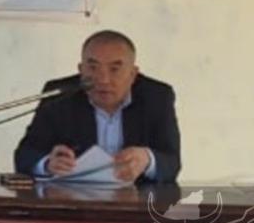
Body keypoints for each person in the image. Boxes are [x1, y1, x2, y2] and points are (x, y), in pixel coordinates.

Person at [14, 30, 181, 184]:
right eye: (93, 68)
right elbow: (25, 155)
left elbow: (171, 162)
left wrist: (147, 159)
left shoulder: (157, 97)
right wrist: (47, 164)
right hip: (73, 199)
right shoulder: (60, 95)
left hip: (136, 200)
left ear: (133, 74)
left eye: (114, 69)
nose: (103, 79)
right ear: (81, 70)